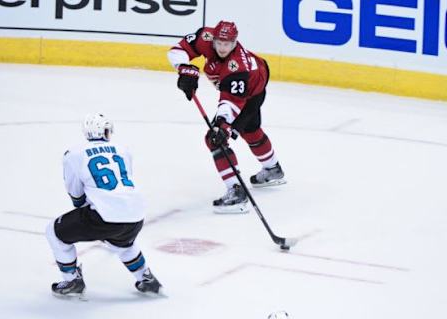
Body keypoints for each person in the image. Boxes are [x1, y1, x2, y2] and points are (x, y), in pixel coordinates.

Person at [167, 20, 286, 214]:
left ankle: (236, 191)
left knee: (215, 139)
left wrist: (223, 126)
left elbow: (230, 103)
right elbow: (177, 50)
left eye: (227, 44)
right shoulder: (205, 37)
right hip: (255, 80)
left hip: (251, 94)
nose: (223, 48)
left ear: (235, 42)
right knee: (251, 131)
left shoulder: (237, 67)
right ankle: (273, 169)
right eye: (219, 43)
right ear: (213, 38)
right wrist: (184, 69)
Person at [46, 113, 162, 298]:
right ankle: (146, 278)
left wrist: (83, 205)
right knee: (123, 242)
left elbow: (75, 192)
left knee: (54, 231)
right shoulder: (123, 149)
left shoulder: (74, 154)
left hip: (104, 217)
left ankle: (71, 280)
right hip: (136, 214)